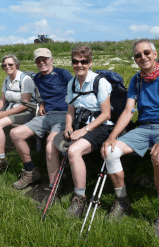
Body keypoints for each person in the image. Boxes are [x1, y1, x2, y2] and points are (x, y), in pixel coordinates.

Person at [101, 39, 159, 238]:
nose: (143, 57)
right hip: (144, 128)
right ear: (135, 59)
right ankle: (122, 201)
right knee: (110, 152)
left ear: (155, 54)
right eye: (138, 55)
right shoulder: (136, 80)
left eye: (146, 52)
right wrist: (112, 136)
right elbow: (128, 111)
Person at [56, 45, 113, 217]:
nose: (79, 65)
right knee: (55, 141)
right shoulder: (72, 83)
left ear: (90, 62)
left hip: (101, 126)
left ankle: (79, 198)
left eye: (84, 61)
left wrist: (84, 130)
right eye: (75, 61)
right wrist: (68, 126)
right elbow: (70, 111)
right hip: (80, 124)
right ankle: (56, 185)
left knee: (73, 151)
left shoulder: (100, 82)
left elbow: (106, 114)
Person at [10, 48, 73, 190]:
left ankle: (54, 185)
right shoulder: (37, 78)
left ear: (51, 60)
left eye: (44, 59)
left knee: (51, 142)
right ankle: (30, 172)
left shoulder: (63, 73)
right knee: (15, 133)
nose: (41, 62)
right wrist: (43, 103)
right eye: (38, 60)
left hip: (64, 114)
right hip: (47, 115)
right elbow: (42, 95)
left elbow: (75, 92)